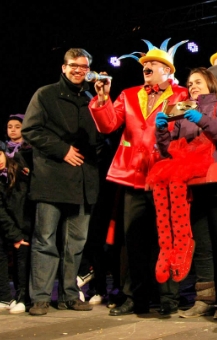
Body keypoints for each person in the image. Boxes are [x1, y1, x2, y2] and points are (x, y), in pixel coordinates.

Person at [89, 39, 189, 317]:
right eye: (144, 65)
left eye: (153, 64)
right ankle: (136, 297)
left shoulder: (181, 95)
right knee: (133, 240)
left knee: (166, 239)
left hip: (165, 177)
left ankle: (169, 299)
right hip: (133, 176)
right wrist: (101, 99)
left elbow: (185, 129)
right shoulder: (129, 94)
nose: (146, 67)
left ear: (168, 71)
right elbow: (108, 124)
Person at [149, 67, 217, 318]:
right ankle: (204, 299)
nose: (192, 87)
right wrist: (161, 132)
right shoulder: (182, 114)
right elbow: (170, 151)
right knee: (202, 245)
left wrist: (200, 118)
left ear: (211, 84)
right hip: (194, 186)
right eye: (190, 84)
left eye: (198, 82)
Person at [21, 48, 104, 315]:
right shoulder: (45, 94)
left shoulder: (92, 99)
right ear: (64, 67)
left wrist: (103, 99)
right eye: (74, 66)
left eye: (84, 66)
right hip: (52, 180)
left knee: (76, 243)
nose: (79, 70)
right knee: (45, 240)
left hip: (82, 183)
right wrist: (63, 150)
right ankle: (41, 297)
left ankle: (70, 294)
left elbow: (102, 138)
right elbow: (31, 129)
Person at [0, 140, 33, 314]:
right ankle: (4, 296)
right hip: (9, 225)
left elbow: (23, 206)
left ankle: (23, 297)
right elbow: (1, 212)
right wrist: (14, 234)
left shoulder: (20, 172)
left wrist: (19, 235)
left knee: (23, 254)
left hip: (24, 224)